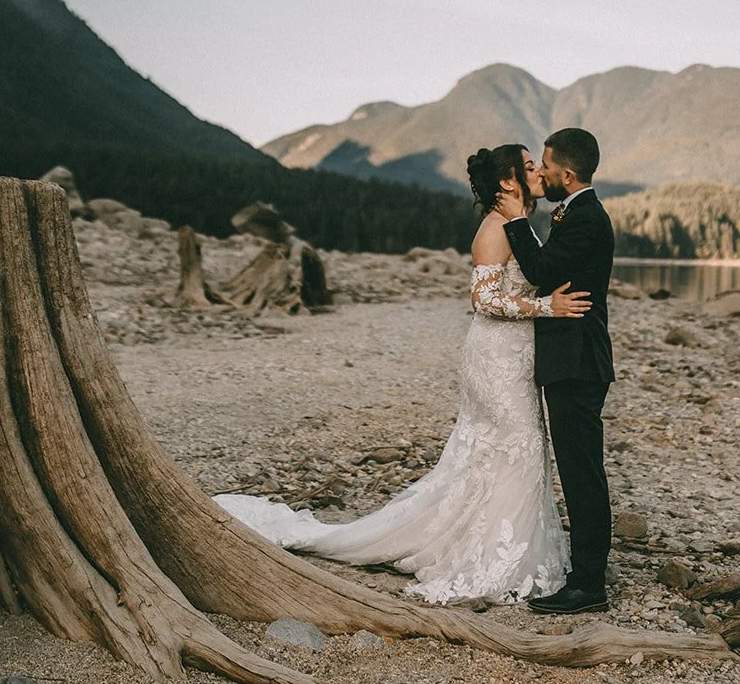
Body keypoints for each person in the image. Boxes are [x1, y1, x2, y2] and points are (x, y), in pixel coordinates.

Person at [214, 144, 591, 604]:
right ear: (509, 182)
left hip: (516, 355)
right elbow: (483, 299)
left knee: (514, 451)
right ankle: (492, 557)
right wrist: (545, 307)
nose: (537, 173)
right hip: (494, 358)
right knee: (514, 446)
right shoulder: (494, 229)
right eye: (529, 167)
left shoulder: (519, 225)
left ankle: (507, 548)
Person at [494, 127, 615, 614]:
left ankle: (589, 585)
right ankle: (585, 571)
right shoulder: (574, 211)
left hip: (578, 362)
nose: (539, 171)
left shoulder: (587, 220)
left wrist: (515, 221)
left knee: (582, 471)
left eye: (545, 164)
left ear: (568, 174)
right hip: (570, 360)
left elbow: (544, 270)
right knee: (577, 466)